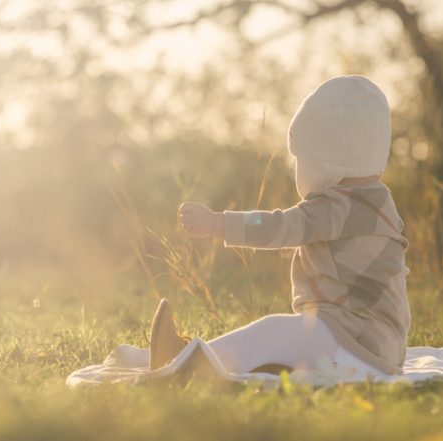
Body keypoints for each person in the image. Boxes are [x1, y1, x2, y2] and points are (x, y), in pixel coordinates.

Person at [150, 75, 411, 377]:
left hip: (359, 344)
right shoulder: (372, 202)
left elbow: (280, 226)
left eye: (301, 160)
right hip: (370, 344)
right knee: (286, 336)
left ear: (324, 164)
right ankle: (200, 357)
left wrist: (217, 223)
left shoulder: (340, 207)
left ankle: (187, 362)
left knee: (276, 330)